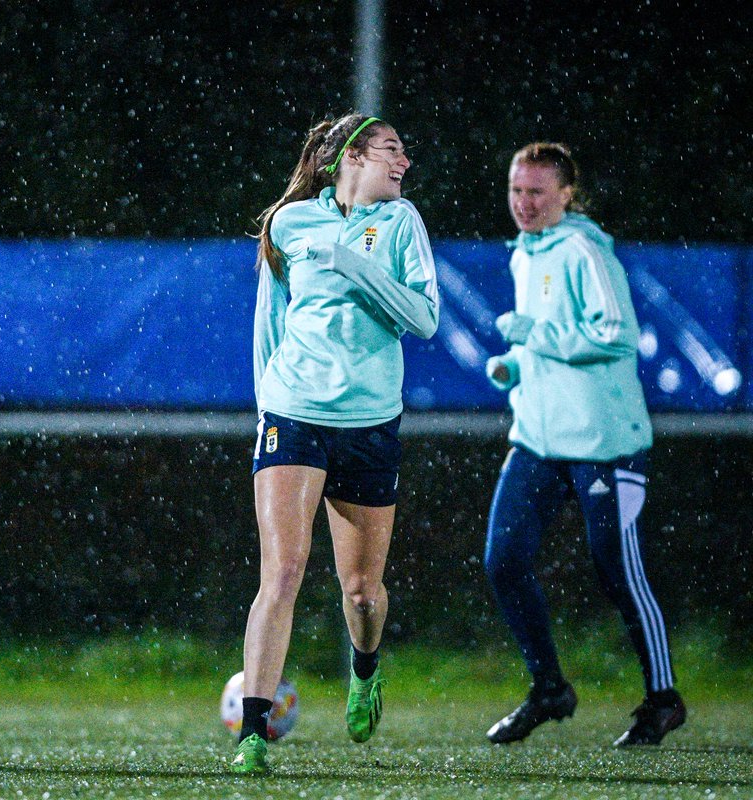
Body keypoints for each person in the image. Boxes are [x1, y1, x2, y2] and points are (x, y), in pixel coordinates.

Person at [231, 113, 439, 774]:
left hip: (370, 422)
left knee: (361, 592)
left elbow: (424, 318)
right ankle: (253, 735)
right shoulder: (290, 223)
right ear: (349, 155)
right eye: (391, 149)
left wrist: (354, 263)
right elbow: (270, 319)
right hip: (292, 413)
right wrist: (266, 408)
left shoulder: (402, 222)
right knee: (283, 571)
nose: (404, 162)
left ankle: (366, 665)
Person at [483, 142, 685, 747]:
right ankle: (549, 688)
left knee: (617, 567)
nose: (524, 202)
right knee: (503, 560)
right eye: (517, 190)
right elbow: (549, 344)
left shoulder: (582, 248)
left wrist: (534, 336)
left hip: (604, 442)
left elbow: (616, 334)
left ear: (566, 194)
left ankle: (664, 698)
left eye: (536, 191)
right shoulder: (525, 253)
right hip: (538, 441)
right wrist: (515, 365)